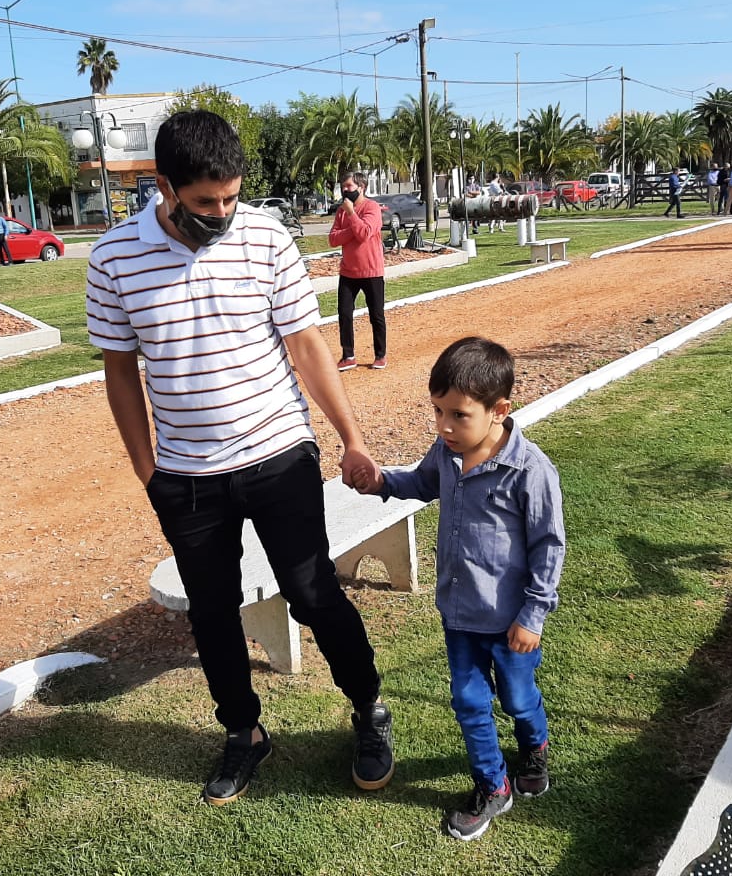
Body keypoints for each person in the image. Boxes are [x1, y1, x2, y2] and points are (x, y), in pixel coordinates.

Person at [85, 110, 395, 807]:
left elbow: (306, 344)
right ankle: (243, 732)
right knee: (213, 612)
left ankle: (368, 707)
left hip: (278, 451)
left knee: (312, 592)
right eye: (205, 202)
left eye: (230, 198)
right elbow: (119, 372)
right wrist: (148, 472)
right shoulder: (113, 259)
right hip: (187, 476)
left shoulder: (266, 237)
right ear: (165, 186)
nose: (222, 215)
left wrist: (350, 437)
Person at [351, 337, 566, 841]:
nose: (444, 426)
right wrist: (381, 482)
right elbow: (422, 483)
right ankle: (493, 786)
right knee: (469, 703)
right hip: (460, 616)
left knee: (517, 699)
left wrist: (532, 616)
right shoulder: (446, 455)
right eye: (438, 411)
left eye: (458, 415)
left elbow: (549, 547)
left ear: (499, 411)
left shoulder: (530, 471)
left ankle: (533, 747)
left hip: (511, 624)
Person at [330, 171, 387, 372]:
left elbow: (364, 234)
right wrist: (352, 228)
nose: (345, 190)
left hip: (371, 271)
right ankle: (348, 356)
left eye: (349, 186)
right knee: (344, 314)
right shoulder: (341, 211)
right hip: (348, 272)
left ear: (361, 187)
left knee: (376, 315)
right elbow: (333, 239)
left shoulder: (372, 208)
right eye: (343, 186)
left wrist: (352, 214)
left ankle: (380, 355)